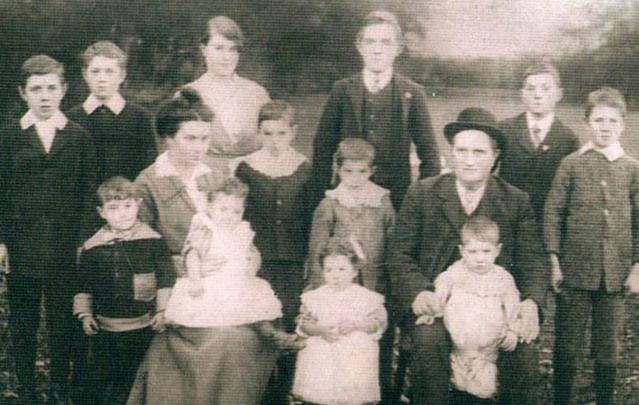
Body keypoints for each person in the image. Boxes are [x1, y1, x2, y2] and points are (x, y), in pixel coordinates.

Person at [388, 107, 547, 405]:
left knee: (522, 349)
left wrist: (531, 302)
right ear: (451, 153)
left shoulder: (514, 200)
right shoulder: (422, 193)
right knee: (429, 338)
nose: (469, 160)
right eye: (461, 150)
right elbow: (399, 254)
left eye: (479, 151)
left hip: (494, 305)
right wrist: (418, 292)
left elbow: (532, 260)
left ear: (495, 156)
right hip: (437, 302)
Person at [128, 89, 278, 405]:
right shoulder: (149, 182)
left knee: (249, 336)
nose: (200, 148)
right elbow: (139, 251)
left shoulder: (216, 176)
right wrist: (184, 267)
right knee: (226, 339)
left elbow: (235, 228)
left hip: (226, 285)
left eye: (205, 139)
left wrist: (248, 255)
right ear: (168, 139)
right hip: (180, 289)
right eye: (190, 138)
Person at [0, 54, 98, 404]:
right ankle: (25, 387)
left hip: (63, 244)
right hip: (22, 244)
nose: (44, 96)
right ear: (22, 93)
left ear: (64, 90)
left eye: (51, 88)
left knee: (63, 319)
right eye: (36, 89)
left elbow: (89, 191)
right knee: (23, 318)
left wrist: (83, 240)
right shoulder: (8, 136)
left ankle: (59, 384)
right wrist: (1, 241)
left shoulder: (78, 136)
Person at [544, 87, 639, 405]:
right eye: (598, 119)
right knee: (567, 343)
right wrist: (555, 261)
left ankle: (604, 398)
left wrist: (637, 268)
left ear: (622, 125)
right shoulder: (571, 164)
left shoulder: (632, 169)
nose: (605, 126)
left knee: (608, 343)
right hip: (574, 271)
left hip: (615, 275)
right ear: (587, 122)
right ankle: (561, 398)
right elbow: (554, 213)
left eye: (612, 120)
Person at [310, 10, 439, 211]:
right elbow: (322, 148)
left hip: (394, 198)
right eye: (370, 42)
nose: (377, 50)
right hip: (346, 197)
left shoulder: (412, 93)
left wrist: (420, 200)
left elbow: (430, 154)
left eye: (386, 42)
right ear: (359, 46)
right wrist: (323, 195)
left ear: (398, 48)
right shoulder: (342, 90)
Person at [233, 101, 311, 404]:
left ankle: (284, 393)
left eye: (281, 133)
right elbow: (238, 215)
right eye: (267, 133)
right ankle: (259, 393)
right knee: (258, 322)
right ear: (259, 133)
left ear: (293, 132)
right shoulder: (246, 167)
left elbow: (309, 217)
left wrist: (308, 260)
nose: (274, 140)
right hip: (257, 260)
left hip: (293, 260)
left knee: (289, 321)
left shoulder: (305, 168)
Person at [73, 177, 175, 405]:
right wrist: (85, 314)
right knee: (102, 377)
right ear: (102, 212)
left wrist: (162, 311)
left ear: (138, 204)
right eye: (114, 208)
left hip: (143, 326)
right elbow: (83, 284)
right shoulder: (93, 247)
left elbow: (166, 279)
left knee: (137, 377)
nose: (123, 213)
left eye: (128, 206)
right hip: (105, 328)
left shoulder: (153, 242)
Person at [164, 177, 301, 347]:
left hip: (237, 282)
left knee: (256, 311)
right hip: (211, 282)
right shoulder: (206, 227)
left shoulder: (242, 230)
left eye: (236, 211)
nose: (230, 216)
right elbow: (192, 254)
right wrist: (196, 279)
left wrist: (251, 272)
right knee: (213, 318)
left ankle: (274, 336)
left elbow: (254, 254)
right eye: (223, 209)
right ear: (210, 208)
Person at [421, 216, 520, 404]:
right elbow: (439, 296)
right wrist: (431, 312)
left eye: (486, 251)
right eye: (473, 252)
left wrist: (513, 329)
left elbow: (512, 306)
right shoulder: (454, 274)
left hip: (487, 351)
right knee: (456, 387)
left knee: (482, 390)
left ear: (497, 250)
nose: (480, 258)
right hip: (458, 348)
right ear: (461, 251)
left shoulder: (503, 279)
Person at [292, 237, 388, 405]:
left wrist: (357, 325)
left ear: (354, 272)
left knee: (357, 354)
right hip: (324, 347)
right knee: (316, 350)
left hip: (354, 348)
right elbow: (304, 323)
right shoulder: (315, 297)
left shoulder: (365, 297)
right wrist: (319, 330)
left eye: (342, 269)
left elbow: (378, 322)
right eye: (329, 270)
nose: (335, 275)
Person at [183, 15, 270, 176]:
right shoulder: (187, 95)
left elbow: (272, 144)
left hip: (253, 181)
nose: (226, 57)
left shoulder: (257, 94)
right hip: (202, 181)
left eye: (232, 49)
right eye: (219, 48)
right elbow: (178, 152)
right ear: (204, 49)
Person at [499, 62, 579, 224]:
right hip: (506, 219)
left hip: (547, 224)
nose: (538, 95)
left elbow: (571, 192)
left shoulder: (568, 139)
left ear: (558, 94)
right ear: (522, 94)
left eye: (545, 88)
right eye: (530, 88)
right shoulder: (503, 130)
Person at [67, 41, 156, 182]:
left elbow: (148, 169)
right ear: (85, 74)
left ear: (122, 76)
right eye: (95, 71)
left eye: (109, 71)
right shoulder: (70, 119)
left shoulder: (140, 118)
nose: (102, 79)